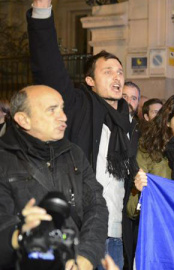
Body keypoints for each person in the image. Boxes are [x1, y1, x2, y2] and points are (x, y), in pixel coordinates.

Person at [27, 1, 138, 269]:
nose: (117, 76)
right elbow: (49, 66)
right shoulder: (77, 106)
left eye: (120, 71)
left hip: (118, 235)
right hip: (82, 232)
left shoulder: (130, 123)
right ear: (90, 80)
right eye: (108, 71)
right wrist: (42, 12)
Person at [0, 86, 108, 270]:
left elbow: (96, 207)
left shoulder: (74, 153)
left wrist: (86, 256)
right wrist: (19, 235)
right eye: (52, 110)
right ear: (23, 119)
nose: (63, 117)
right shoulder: (3, 160)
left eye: (62, 108)